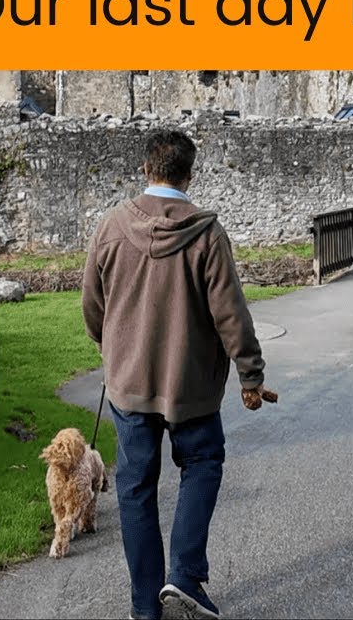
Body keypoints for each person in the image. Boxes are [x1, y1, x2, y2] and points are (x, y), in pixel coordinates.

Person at [82, 130, 278, 620]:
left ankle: (145, 607)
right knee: (204, 463)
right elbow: (231, 313)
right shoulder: (206, 234)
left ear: (146, 170)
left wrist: (116, 350)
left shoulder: (110, 226)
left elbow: (92, 307)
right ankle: (185, 576)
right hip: (190, 386)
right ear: (190, 175)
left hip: (128, 384)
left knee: (134, 488)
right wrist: (250, 375)